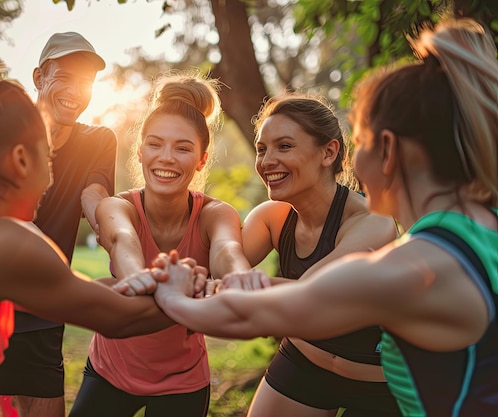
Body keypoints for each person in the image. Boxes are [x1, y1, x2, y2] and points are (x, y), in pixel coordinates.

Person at [147, 18, 498, 416]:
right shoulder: (480, 225)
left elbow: (283, 307)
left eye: (360, 141)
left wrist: (175, 296)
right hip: (305, 366)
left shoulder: (415, 266)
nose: (354, 160)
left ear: (387, 149)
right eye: (263, 148)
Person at [0, 23, 199, 417]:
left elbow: (73, 288)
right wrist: (194, 288)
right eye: (47, 158)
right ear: (21, 159)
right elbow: (115, 318)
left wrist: (136, 270)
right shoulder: (5, 242)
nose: (51, 177)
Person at [68, 71, 254, 417]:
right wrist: (140, 278)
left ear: (201, 159)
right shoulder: (118, 207)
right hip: (111, 371)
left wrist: (238, 277)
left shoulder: (215, 214)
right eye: (155, 144)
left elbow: (228, 249)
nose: (166, 157)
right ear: (139, 152)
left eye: (183, 148)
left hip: (183, 381)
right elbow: (123, 240)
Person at [220, 93, 400, 416]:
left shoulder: (373, 222)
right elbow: (221, 264)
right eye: (262, 149)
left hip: (379, 381)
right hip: (305, 361)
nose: (266, 161)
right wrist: (230, 266)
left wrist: (240, 286)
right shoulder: (272, 217)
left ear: (328, 152)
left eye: (284, 146)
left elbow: (312, 295)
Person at [0, 31, 117, 417]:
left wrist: (116, 239)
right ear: (39, 77)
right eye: (65, 76)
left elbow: (96, 196)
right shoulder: (0, 131)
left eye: (86, 81)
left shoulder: (99, 140)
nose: (76, 90)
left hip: (41, 315)